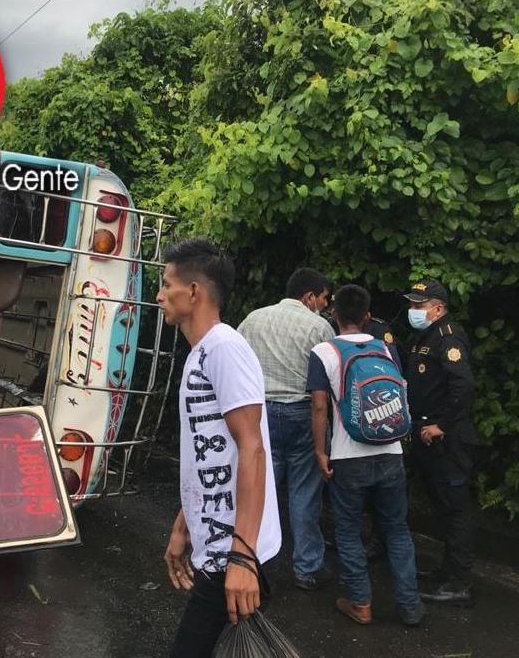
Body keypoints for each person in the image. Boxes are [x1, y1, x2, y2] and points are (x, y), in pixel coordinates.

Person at [157, 239, 280, 655]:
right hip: (215, 544)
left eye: (166, 283)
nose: (159, 295)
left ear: (193, 292)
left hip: (233, 549)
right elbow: (206, 454)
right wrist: (182, 525)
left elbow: (253, 448)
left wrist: (243, 557)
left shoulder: (226, 349)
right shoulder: (200, 354)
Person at [308, 284, 423, 627]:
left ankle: (361, 603)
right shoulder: (385, 350)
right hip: (390, 451)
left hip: (347, 456)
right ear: (368, 317)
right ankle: (410, 606)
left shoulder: (323, 352)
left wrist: (319, 450)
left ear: (334, 315)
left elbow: (318, 407)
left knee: (347, 530)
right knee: (397, 530)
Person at [237, 267, 334, 590]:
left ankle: (251, 562)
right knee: (304, 494)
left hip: (259, 414)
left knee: (259, 492)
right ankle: (306, 569)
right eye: (322, 298)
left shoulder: (253, 320)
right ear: (309, 296)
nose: (324, 304)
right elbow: (331, 380)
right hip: (302, 415)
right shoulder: (320, 327)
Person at [403, 279, 477, 606]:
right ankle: (447, 572)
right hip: (425, 434)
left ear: (438, 308)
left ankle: (459, 583)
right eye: (413, 305)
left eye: (420, 305)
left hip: (447, 439)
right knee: (443, 507)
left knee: (456, 509)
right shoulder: (427, 336)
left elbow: (463, 387)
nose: (414, 310)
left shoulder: (449, 338)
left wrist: (441, 425)